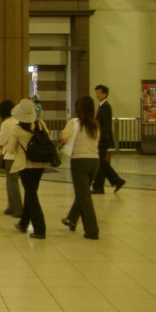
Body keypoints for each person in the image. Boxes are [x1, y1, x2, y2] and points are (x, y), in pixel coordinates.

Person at [7, 99, 50, 239]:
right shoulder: (40, 124)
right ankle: (24, 223)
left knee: (32, 196)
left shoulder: (17, 129)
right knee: (30, 193)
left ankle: (40, 229)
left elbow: (11, 149)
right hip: (40, 164)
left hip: (26, 166)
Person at [60, 95, 100, 240]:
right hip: (95, 161)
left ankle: (92, 230)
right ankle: (71, 218)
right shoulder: (95, 124)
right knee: (82, 193)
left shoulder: (74, 122)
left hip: (80, 161)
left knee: (84, 197)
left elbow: (64, 137)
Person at [92, 84, 126, 194]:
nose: (97, 95)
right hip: (101, 139)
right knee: (102, 163)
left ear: (105, 94)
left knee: (100, 164)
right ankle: (117, 181)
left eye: (99, 93)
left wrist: (101, 139)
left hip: (103, 140)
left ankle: (99, 187)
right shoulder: (101, 106)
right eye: (96, 92)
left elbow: (106, 125)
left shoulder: (106, 107)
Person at [0, 99, 23, 218]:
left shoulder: (6, 123)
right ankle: (11, 206)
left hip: (10, 156)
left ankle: (18, 208)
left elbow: (1, 140)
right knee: (11, 181)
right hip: (19, 155)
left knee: (12, 182)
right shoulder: (18, 121)